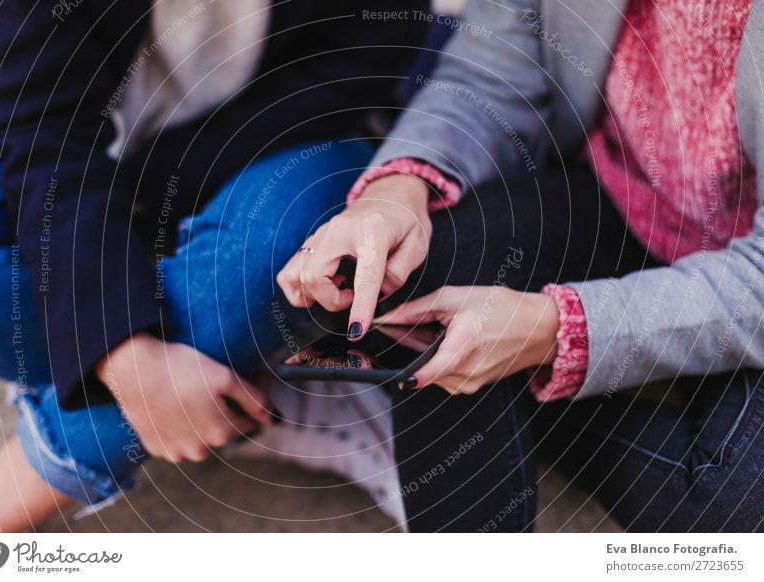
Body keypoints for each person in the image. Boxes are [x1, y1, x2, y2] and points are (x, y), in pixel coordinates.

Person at [278, 0, 764, 531]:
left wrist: (564, 334)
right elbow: (492, 67)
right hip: (620, 196)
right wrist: (396, 190)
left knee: (732, 503)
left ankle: (516, 394)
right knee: (416, 266)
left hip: (748, 268)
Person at [0, 0, 429, 532]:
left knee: (267, 262)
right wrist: (126, 357)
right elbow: (42, 135)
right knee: (209, 295)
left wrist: (107, 308)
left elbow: (362, 64)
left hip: (297, 146)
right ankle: (251, 366)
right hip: (94, 161)